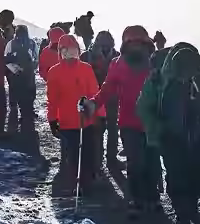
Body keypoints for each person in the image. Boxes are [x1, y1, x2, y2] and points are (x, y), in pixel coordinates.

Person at [138, 42, 200, 224]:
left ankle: (190, 206)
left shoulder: (199, 77)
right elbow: (144, 107)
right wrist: (157, 131)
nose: (186, 78)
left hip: (195, 137)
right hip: (170, 139)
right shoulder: (159, 78)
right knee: (176, 179)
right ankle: (183, 220)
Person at [94, 26, 158, 210]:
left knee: (152, 162)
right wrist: (93, 104)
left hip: (152, 124)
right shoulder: (117, 64)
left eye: (140, 43)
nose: (136, 47)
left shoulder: (155, 64)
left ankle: (152, 197)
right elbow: (107, 89)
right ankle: (136, 199)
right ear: (126, 45)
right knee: (135, 162)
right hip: (129, 123)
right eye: (132, 43)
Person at [46, 35, 103, 188]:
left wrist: (99, 115)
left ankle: (81, 182)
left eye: (72, 50)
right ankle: (77, 183)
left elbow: (94, 94)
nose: (70, 54)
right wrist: (52, 119)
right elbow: (53, 100)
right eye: (67, 51)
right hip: (73, 122)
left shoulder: (83, 68)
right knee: (76, 154)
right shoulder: (56, 71)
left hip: (80, 121)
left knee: (80, 154)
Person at [83, 31, 120, 166]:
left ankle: (108, 160)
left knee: (110, 129)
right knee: (98, 129)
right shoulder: (87, 56)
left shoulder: (116, 56)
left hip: (111, 98)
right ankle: (98, 161)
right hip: (95, 98)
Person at [4, 24, 38, 134]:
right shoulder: (32, 43)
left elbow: (7, 59)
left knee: (16, 99)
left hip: (16, 76)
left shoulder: (11, 43)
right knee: (28, 99)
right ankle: (27, 123)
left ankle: (14, 125)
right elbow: (36, 59)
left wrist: (16, 70)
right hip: (28, 76)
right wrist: (30, 69)